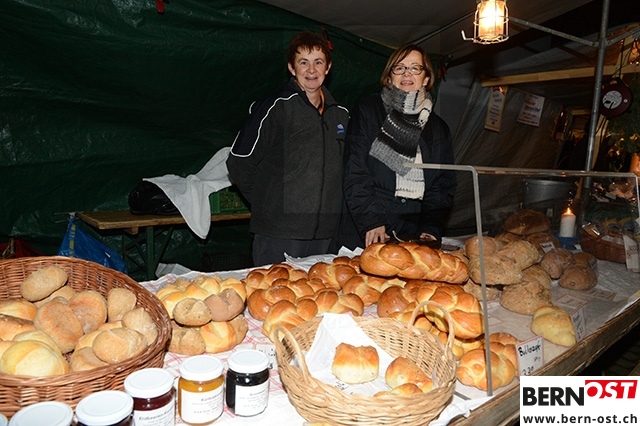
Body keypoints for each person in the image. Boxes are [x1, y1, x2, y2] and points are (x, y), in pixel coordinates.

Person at [226, 31, 350, 266]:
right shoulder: (274, 107)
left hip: (326, 235)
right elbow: (239, 162)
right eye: (303, 62)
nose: (311, 70)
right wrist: (268, 204)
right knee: (276, 290)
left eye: (318, 62)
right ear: (292, 68)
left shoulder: (341, 114)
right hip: (278, 233)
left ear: (328, 67)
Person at [333, 44, 456, 251]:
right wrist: (372, 220)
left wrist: (431, 226)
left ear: (426, 78)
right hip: (368, 232)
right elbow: (355, 171)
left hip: (413, 235)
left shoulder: (439, 128)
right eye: (399, 68)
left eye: (415, 68)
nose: (407, 73)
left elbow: (442, 185)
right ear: (389, 77)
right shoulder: (368, 110)